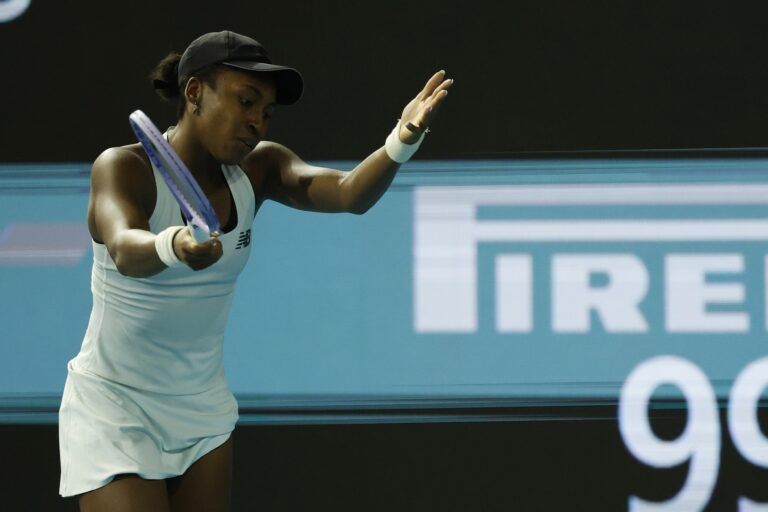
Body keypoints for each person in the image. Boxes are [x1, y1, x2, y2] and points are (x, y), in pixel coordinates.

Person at [58, 30, 453, 511]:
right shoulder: (124, 167)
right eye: (245, 101)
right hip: (114, 408)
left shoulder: (260, 168)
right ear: (194, 92)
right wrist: (173, 243)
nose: (256, 123)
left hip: (201, 409)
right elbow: (123, 245)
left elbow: (349, 193)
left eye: (266, 112)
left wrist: (401, 141)